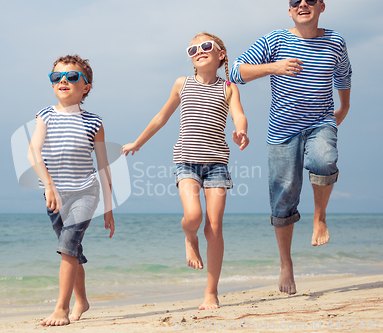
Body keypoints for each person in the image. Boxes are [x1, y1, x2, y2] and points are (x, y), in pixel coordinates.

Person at [230, 0, 352, 295]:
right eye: (295, 1)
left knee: (324, 161)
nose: (303, 4)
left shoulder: (335, 41)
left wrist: (344, 108)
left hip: (321, 121)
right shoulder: (275, 40)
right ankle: (286, 263)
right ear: (289, 10)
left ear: (322, 6)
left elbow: (344, 76)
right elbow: (236, 71)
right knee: (283, 199)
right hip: (282, 131)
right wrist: (274, 67)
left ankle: (319, 217)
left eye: (310, 0)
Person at [121, 32, 249, 309]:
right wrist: (138, 142)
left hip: (217, 163)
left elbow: (238, 113)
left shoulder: (228, 87)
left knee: (214, 227)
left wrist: (241, 131)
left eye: (205, 46)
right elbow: (162, 117)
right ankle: (190, 238)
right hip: (186, 161)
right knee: (193, 216)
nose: (199, 51)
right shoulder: (182, 84)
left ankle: (210, 292)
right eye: (193, 49)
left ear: (220, 55)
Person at [27, 55, 115, 326]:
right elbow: (33, 152)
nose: (63, 80)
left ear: (86, 86)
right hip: (53, 195)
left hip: (85, 193)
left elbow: (103, 167)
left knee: (67, 247)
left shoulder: (94, 122)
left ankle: (61, 308)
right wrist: (49, 186)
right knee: (72, 250)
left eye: (72, 76)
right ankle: (82, 300)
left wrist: (109, 208)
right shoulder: (45, 115)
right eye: (57, 77)